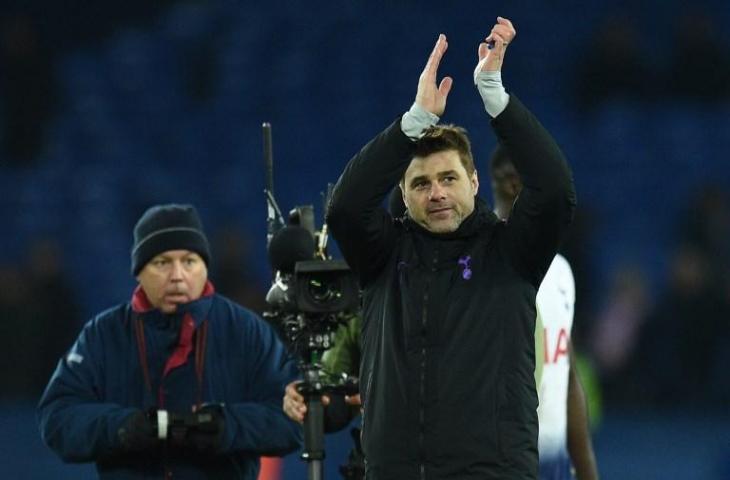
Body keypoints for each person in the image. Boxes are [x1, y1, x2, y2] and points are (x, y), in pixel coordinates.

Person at [326, 16, 576, 479]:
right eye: (420, 183)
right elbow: (344, 208)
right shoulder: (383, 255)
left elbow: (556, 191)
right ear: (402, 196)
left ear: (475, 182)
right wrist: (415, 120)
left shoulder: (511, 252)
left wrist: (495, 96)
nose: (436, 192)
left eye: (448, 178)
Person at [37, 204, 302, 479]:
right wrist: (124, 427)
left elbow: (293, 422)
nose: (177, 276)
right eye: (162, 263)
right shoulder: (104, 334)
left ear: (205, 267)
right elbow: (57, 419)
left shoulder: (246, 331)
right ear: (138, 272)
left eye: (189, 261)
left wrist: (225, 425)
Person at [491, 152, 599, 480]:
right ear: (514, 184)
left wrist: (587, 472)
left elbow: (565, 378)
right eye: (554, 183)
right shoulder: (479, 265)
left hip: (552, 465)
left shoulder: (561, 270)